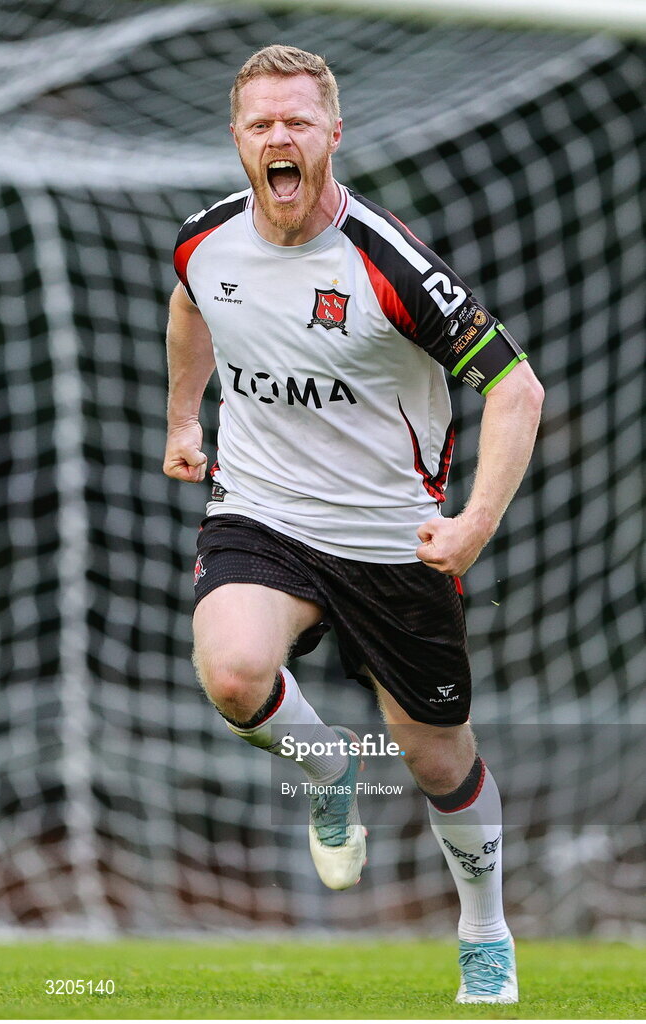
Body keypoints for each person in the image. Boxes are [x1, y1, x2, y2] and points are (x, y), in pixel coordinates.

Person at [164, 44, 543, 1004]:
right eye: (261, 125)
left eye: (297, 121)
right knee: (234, 669)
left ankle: (484, 934)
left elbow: (516, 388)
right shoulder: (206, 243)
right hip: (262, 507)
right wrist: (182, 417)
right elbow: (190, 303)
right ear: (238, 141)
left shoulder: (387, 262)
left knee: (433, 757)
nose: (278, 137)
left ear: (334, 133)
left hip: (389, 539)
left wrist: (472, 524)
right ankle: (330, 773)